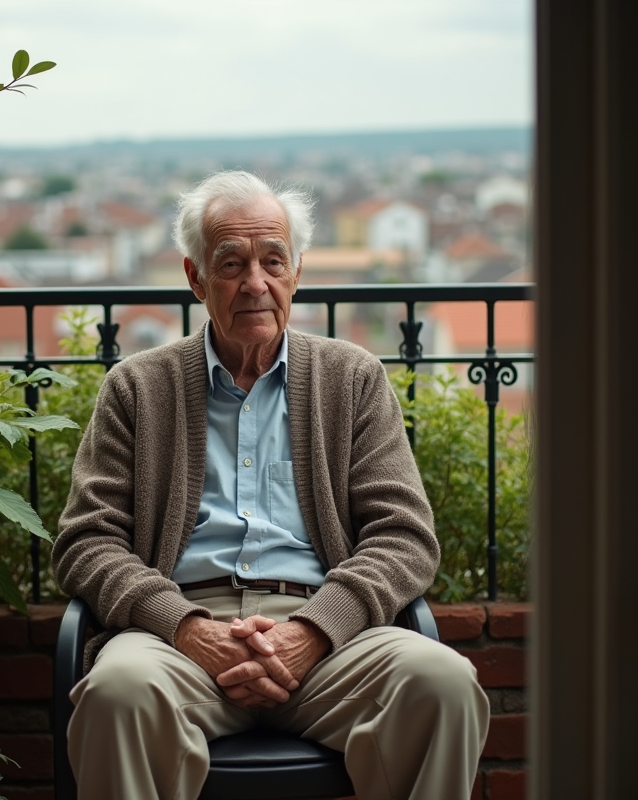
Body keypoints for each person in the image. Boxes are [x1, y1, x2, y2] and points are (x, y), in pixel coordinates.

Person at [52, 171, 490, 800]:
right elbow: (86, 543)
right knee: (116, 692)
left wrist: (313, 631)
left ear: (296, 272)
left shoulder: (352, 378)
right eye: (231, 263)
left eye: (273, 261)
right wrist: (185, 628)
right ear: (196, 278)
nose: (255, 283)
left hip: (329, 640)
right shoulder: (137, 386)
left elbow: (404, 537)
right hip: (177, 643)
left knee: (442, 683)